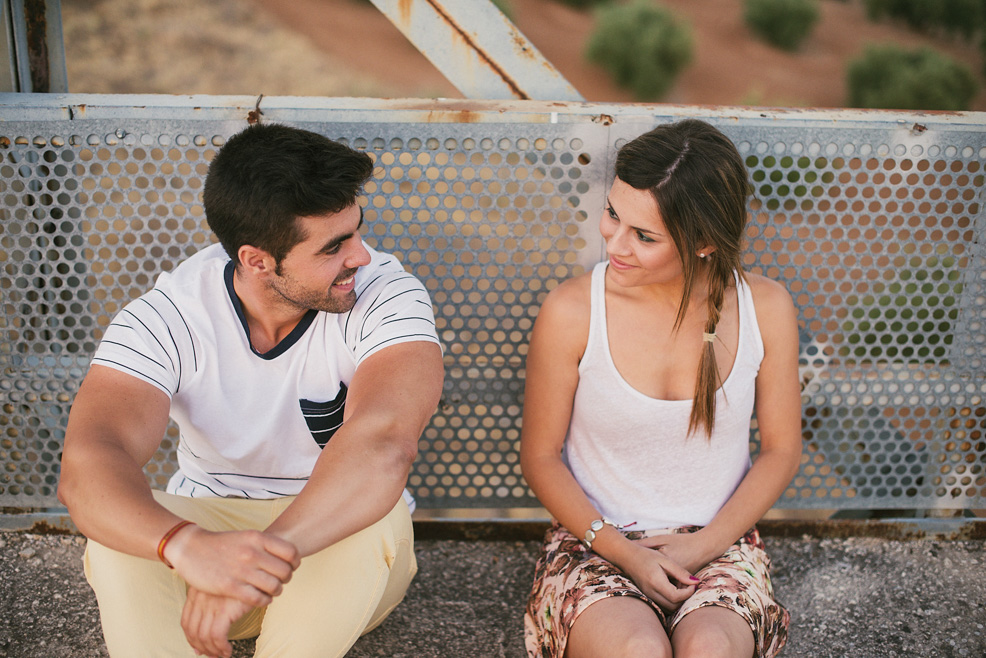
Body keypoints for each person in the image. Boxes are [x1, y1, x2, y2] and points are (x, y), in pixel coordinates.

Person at [58, 123, 444, 658]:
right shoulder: (168, 315)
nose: (361, 256)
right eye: (334, 246)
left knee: (371, 518)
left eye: (358, 231)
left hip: (334, 541)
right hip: (212, 544)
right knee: (118, 539)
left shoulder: (387, 293)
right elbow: (89, 463)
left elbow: (385, 443)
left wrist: (264, 556)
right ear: (257, 260)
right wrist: (185, 544)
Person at [520, 119, 802, 658]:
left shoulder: (767, 308)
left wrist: (704, 545)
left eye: (643, 236)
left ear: (702, 244)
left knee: (710, 650)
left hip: (721, 542)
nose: (613, 241)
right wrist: (628, 555)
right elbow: (539, 456)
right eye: (612, 214)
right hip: (596, 542)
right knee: (637, 651)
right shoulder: (573, 311)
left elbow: (782, 449)